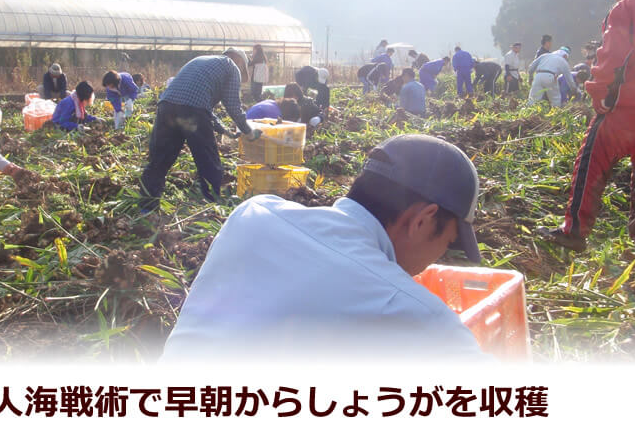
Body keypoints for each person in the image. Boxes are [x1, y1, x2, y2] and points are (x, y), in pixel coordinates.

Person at [161, 134, 483, 361]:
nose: (437, 256)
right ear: (423, 221)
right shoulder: (428, 324)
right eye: (448, 242)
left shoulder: (253, 215)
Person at [539, 0, 635, 254]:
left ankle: (574, 230)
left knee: (592, 159)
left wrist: (599, 96)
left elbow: (613, 56)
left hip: (629, 106)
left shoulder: (626, 8)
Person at [140, 48, 261, 208]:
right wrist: (248, 131)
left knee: (159, 159)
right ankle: (211, 205)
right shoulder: (231, 66)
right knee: (208, 160)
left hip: (167, 107)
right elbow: (232, 106)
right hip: (191, 112)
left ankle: (147, 206)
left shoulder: (203, 61)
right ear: (239, 60)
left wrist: (224, 130)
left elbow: (204, 108)